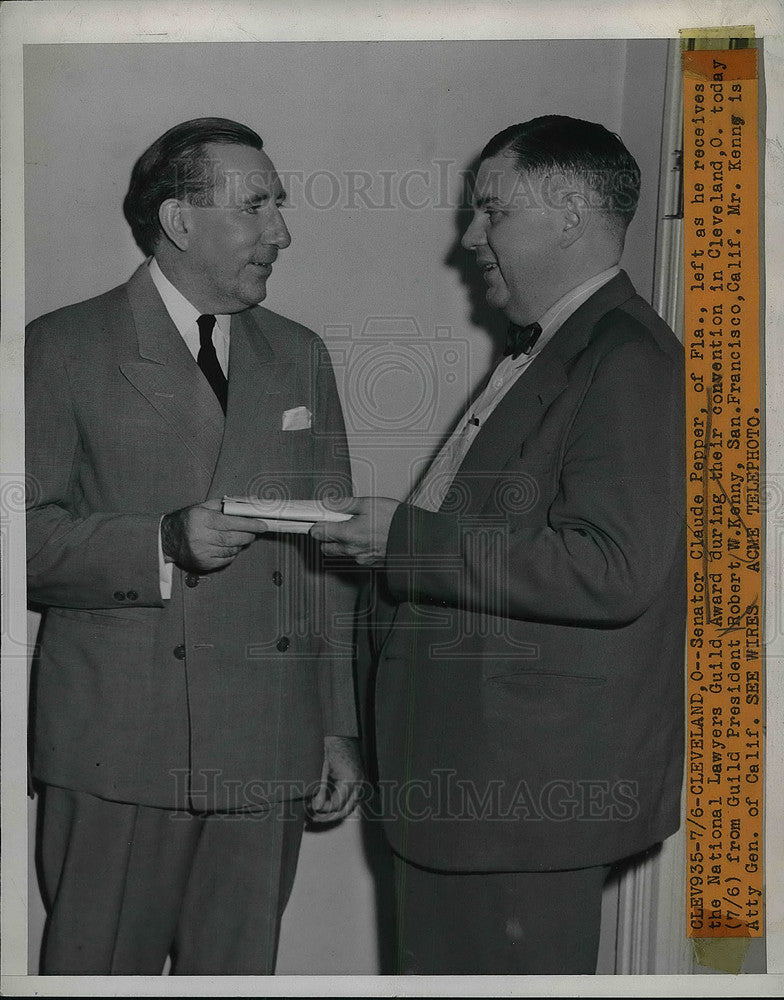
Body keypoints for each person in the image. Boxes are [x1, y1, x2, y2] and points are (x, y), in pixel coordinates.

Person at [312, 115, 685, 975]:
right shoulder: (562, 349)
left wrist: (404, 541)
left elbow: (613, 569)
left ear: (569, 212)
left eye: (492, 213)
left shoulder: (629, 360)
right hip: (468, 796)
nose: (470, 241)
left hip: (519, 807)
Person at [25, 117, 361, 975]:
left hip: (268, 745)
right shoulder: (59, 349)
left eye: (278, 207)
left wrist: (334, 728)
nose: (281, 231)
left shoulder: (300, 356)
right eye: (257, 207)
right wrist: (161, 542)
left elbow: (332, 558)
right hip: (121, 749)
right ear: (179, 222)